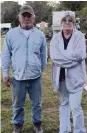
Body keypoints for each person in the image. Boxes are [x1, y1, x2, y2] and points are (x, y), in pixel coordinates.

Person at [1, 5, 47, 133]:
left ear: (33, 17)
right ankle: (18, 125)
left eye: (29, 15)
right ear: (19, 17)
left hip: (35, 77)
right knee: (17, 105)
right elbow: (5, 55)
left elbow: (44, 55)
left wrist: (40, 70)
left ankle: (37, 124)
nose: (26, 18)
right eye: (24, 15)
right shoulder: (11, 34)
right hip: (18, 77)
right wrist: (5, 73)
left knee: (37, 104)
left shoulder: (40, 35)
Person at [50, 11, 87, 133]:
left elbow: (80, 55)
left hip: (76, 78)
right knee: (64, 104)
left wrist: (63, 58)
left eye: (70, 20)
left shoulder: (80, 36)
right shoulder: (55, 38)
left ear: (74, 23)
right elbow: (54, 57)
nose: (67, 23)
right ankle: (64, 130)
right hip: (61, 79)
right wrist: (71, 59)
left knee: (76, 107)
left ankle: (79, 131)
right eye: (64, 21)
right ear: (61, 23)